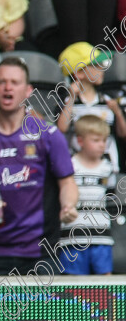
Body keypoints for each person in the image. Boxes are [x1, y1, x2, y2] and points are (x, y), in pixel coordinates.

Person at [0, 58, 79, 276]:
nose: (8, 87)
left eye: (14, 82)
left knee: (43, 312)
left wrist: (68, 206)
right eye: (1, 82)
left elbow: (67, 182)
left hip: (40, 253)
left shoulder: (48, 136)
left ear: (28, 90)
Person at [56, 115, 116, 275]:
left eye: (104, 141)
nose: (101, 145)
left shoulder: (108, 168)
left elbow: (111, 197)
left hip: (102, 236)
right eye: (96, 140)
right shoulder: (69, 166)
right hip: (72, 238)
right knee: (71, 286)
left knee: (105, 284)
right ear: (80, 141)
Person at [56, 41, 125, 171]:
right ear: (79, 73)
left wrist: (118, 113)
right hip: (77, 169)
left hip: (108, 168)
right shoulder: (68, 102)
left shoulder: (108, 101)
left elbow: (123, 133)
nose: (102, 68)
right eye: (96, 65)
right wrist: (71, 99)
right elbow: (62, 128)